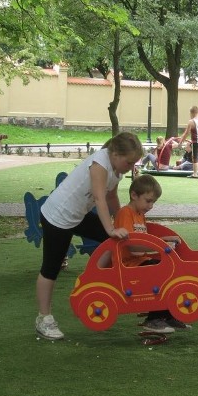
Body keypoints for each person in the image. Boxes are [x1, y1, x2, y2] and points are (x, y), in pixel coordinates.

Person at [34, 132, 143, 340]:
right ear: (116, 154)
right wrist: (111, 229)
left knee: (115, 242)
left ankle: (100, 284)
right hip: (58, 215)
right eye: (129, 162)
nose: (131, 167)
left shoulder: (117, 168)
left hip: (78, 214)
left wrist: (121, 221)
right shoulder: (100, 165)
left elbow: (111, 196)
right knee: (51, 268)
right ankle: (43, 319)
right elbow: (100, 200)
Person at [114, 174, 189, 333]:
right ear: (134, 195)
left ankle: (167, 316)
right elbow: (133, 246)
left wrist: (165, 239)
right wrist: (160, 247)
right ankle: (153, 319)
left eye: (153, 202)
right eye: (148, 201)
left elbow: (144, 239)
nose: (151, 206)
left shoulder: (140, 215)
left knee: (171, 269)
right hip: (128, 265)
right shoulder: (125, 213)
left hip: (139, 261)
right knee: (161, 270)